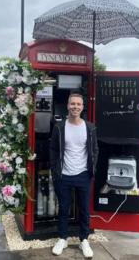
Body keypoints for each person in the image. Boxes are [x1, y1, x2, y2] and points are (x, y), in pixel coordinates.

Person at [49, 93, 99, 258]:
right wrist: (55, 169)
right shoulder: (59, 127)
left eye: (78, 104)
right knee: (64, 208)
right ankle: (62, 238)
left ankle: (84, 239)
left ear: (83, 107)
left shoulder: (90, 128)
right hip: (63, 175)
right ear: (68, 106)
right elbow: (54, 150)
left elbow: (94, 150)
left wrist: (92, 168)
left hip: (83, 174)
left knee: (84, 209)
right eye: (72, 104)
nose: (75, 107)